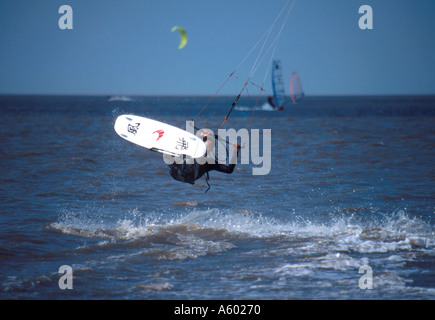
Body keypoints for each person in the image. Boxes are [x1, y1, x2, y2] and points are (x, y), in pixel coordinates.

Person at [168, 129, 241, 192]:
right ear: (202, 144)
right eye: (207, 146)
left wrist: (235, 152)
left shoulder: (210, 162)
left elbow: (229, 170)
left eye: (211, 147)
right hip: (177, 172)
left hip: (189, 176)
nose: (208, 149)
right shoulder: (193, 148)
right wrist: (202, 134)